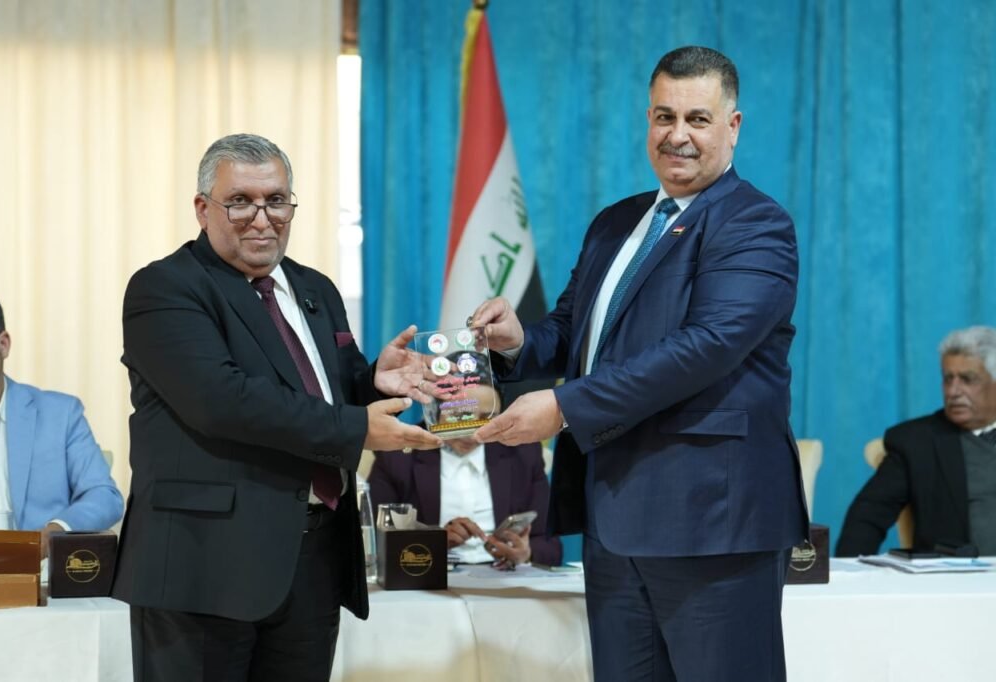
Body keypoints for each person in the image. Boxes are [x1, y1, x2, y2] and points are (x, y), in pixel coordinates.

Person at [470, 46, 807, 682]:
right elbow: (575, 331)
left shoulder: (755, 223)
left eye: (698, 119)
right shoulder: (615, 223)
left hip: (712, 525)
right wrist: (514, 341)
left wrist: (564, 406)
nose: (678, 135)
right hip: (615, 522)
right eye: (664, 116)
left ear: (733, 126)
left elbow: (705, 347)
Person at [112, 133, 440, 681]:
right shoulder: (165, 287)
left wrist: (374, 385)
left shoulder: (316, 289)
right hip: (202, 566)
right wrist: (355, 427)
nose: (262, 218)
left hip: (312, 560)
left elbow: (324, 393)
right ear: (203, 209)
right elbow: (222, 401)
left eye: (276, 200)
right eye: (240, 201)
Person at [0, 288, 122, 546]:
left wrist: (52, 533)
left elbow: (104, 496)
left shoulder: (60, 415)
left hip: (44, 568)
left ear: (3, 344)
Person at [370, 375, 562, 569]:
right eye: (461, 416)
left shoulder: (523, 453)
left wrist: (526, 553)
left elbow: (551, 545)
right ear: (436, 410)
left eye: (487, 418)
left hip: (503, 575)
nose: (473, 433)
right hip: (431, 573)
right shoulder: (398, 454)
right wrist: (434, 542)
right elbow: (376, 541)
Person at [836, 326, 996, 557]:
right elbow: (868, 516)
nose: (953, 391)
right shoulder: (916, 442)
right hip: (954, 576)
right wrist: (847, 574)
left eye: (967, 379)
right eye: (948, 378)